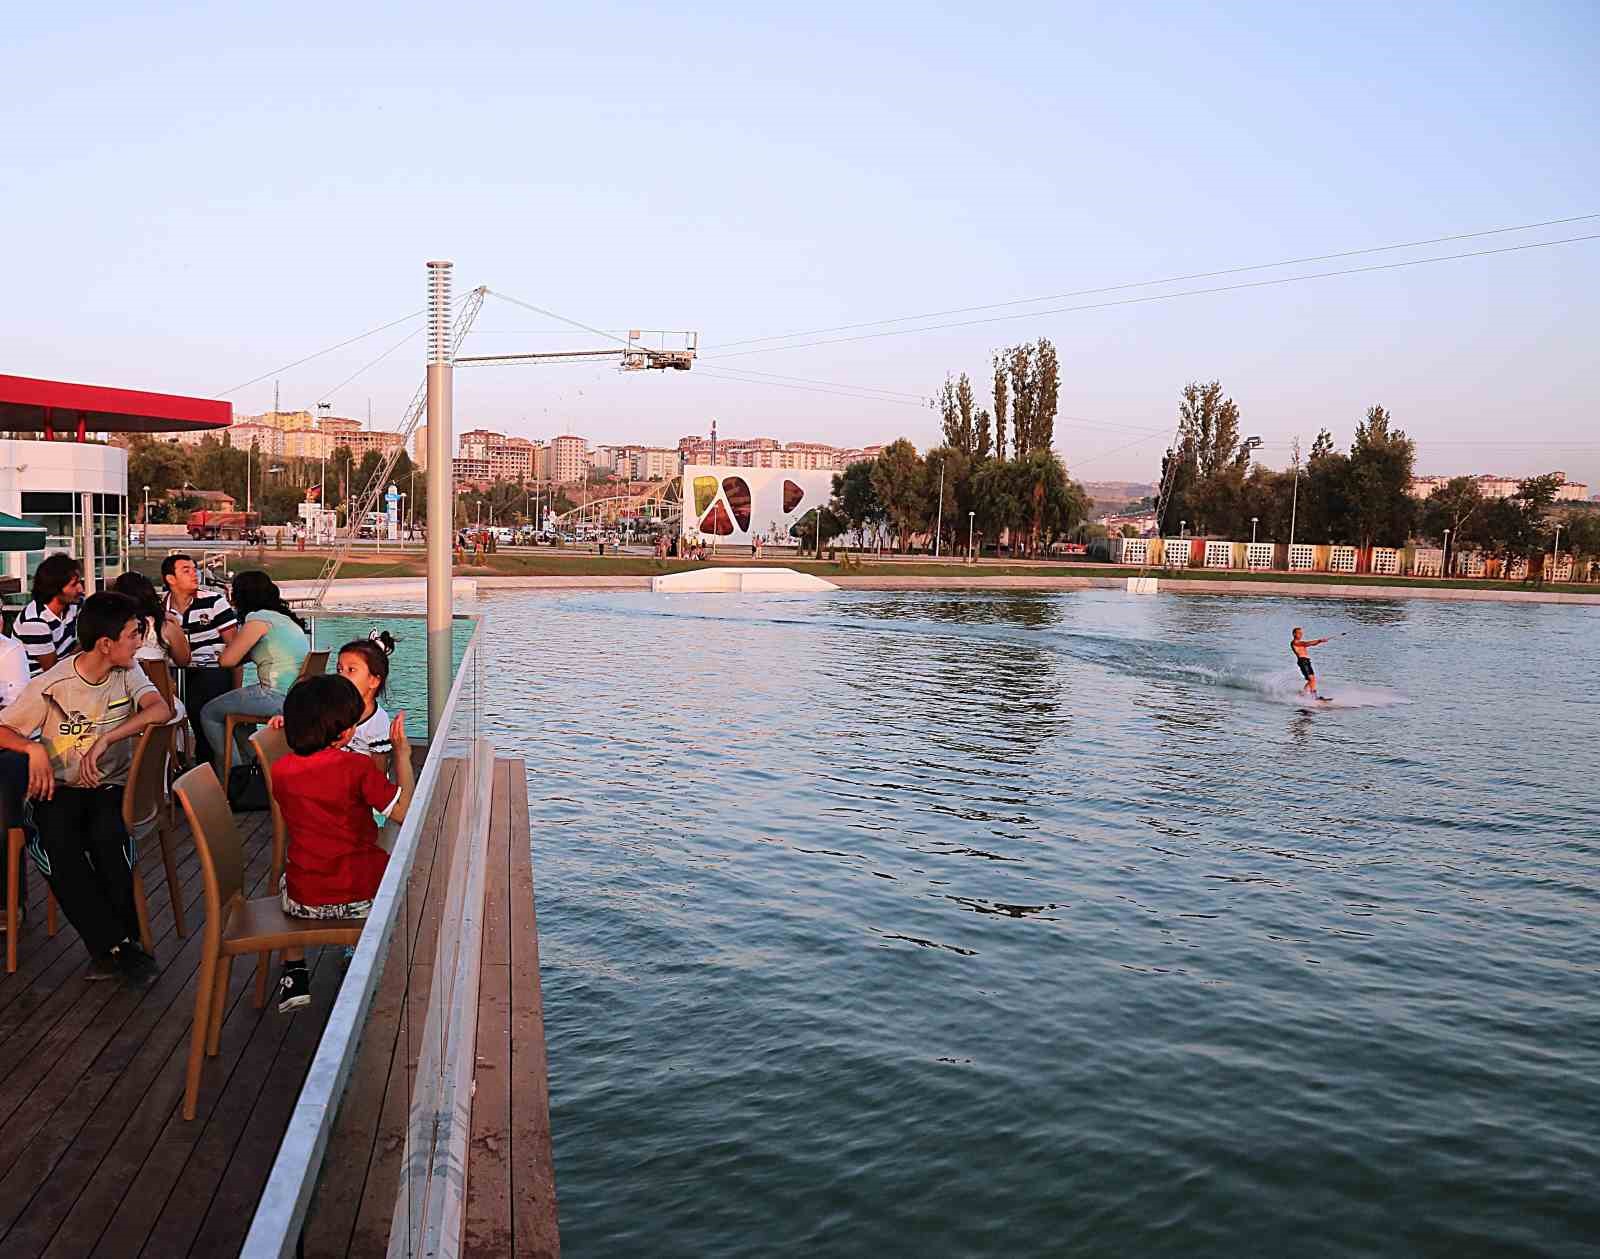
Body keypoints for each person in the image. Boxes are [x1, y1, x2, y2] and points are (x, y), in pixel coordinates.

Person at [0, 592, 171, 983]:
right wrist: (31, 747)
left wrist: (109, 738)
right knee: (59, 846)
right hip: (57, 789)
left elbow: (160, 709)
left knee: (109, 839)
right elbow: (2, 730)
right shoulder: (52, 684)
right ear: (106, 644)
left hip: (110, 787)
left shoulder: (128, 672)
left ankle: (114, 948)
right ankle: (117, 945)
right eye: (133, 634)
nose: (139, 641)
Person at [268, 674, 413, 1012]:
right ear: (347, 732)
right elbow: (405, 812)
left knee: (285, 879)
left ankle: (295, 970)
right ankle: (376, 972)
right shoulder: (357, 767)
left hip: (304, 900)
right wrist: (402, 756)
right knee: (401, 877)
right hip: (362, 898)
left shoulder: (282, 771)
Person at [201, 571, 309, 775]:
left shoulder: (257, 619)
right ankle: (256, 772)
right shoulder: (283, 619)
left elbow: (227, 661)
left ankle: (234, 775)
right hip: (297, 697)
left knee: (209, 713)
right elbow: (254, 654)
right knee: (240, 723)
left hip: (275, 695)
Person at [162, 553, 238, 765]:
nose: (194, 574)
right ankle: (174, 762)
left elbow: (234, 646)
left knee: (202, 707)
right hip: (174, 673)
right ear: (170, 579)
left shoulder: (215, 601)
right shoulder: (160, 608)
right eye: (186, 570)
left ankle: (208, 764)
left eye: (194, 569)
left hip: (211, 670)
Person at [15, 553, 84, 676]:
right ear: (55, 589)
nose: (80, 589)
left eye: (79, 582)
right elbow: (52, 672)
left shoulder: (75, 604)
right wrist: (87, 645)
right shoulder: (35, 621)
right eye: (74, 585)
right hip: (38, 686)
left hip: (68, 673)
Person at [1291, 627, 1331, 698]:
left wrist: (1319, 641)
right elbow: (1307, 643)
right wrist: (1319, 640)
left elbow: (1311, 644)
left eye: (1301, 633)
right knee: (1311, 679)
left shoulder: (1301, 643)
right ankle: (1314, 697)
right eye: (1299, 633)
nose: (1301, 635)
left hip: (1307, 661)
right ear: (1294, 634)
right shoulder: (1295, 642)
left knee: (1312, 679)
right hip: (1302, 661)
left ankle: (1303, 694)